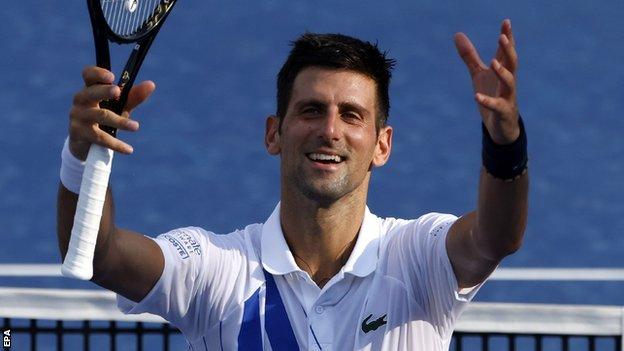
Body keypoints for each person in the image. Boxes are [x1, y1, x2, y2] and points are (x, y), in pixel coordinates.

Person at [58, 19, 528, 350]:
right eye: (310, 110)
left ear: (382, 146)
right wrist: (81, 152)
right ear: (273, 134)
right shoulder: (216, 270)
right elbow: (101, 256)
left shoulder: (417, 258)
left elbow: (496, 237)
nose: (329, 130)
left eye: (351, 115)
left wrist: (504, 142)